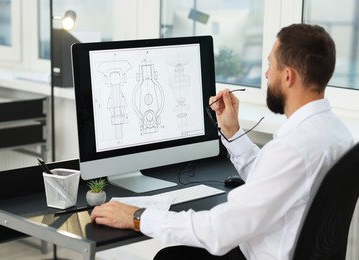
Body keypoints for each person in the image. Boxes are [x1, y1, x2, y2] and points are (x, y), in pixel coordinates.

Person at [90, 23, 354, 260]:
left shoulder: (292, 148)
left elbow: (218, 232)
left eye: (270, 66)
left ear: (288, 76)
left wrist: (136, 217)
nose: (265, 75)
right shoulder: (335, 133)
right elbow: (273, 181)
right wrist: (232, 131)